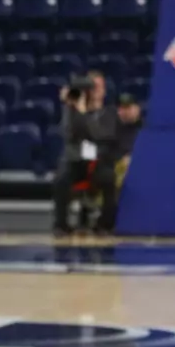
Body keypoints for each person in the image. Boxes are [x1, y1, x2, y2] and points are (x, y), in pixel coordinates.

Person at [52, 70, 116, 234]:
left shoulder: (109, 112)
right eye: (91, 87)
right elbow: (68, 133)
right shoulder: (73, 109)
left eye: (98, 87)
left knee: (108, 178)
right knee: (61, 178)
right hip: (76, 160)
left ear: (104, 90)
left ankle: (105, 224)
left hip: (98, 160)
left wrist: (82, 112)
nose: (94, 90)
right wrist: (71, 107)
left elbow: (98, 135)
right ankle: (61, 224)